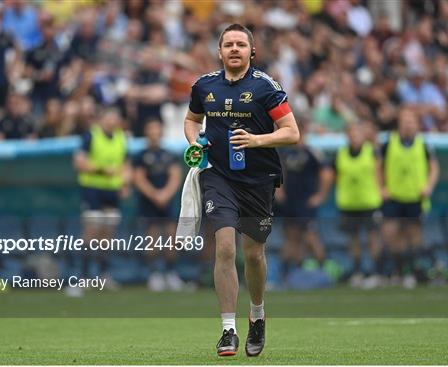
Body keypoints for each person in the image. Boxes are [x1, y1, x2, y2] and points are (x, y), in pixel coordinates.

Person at [183, 24, 299, 357]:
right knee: (223, 249)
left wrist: (256, 140)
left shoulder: (266, 88)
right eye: (228, 44)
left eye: (241, 44)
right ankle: (228, 330)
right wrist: (195, 143)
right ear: (219, 52)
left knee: (253, 255)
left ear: (252, 52)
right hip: (218, 178)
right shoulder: (204, 86)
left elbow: (292, 132)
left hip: (258, 181)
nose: (234, 49)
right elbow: (192, 120)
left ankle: (258, 315)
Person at [72, 108, 133, 297]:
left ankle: (103, 275)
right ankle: (81, 277)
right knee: (91, 233)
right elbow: (79, 162)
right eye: (109, 117)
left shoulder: (121, 137)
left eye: (115, 117)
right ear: (101, 118)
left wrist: (124, 182)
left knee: (108, 235)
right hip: (93, 190)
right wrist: (101, 169)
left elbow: (125, 164)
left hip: (111, 191)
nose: (112, 121)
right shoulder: (90, 136)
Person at [379, 107, 439, 289]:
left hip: (415, 197)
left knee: (414, 236)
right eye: (404, 121)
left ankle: (413, 271)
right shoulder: (389, 143)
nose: (407, 125)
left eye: (411, 122)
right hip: (394, 197)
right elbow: (377, 166)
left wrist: (429, 186)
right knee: (391, 234)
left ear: (417, 125)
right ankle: (398, 270)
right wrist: (382, 187)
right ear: (399, 124)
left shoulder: (424, 144)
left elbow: (434, 168)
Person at [326, 123, 384, 289]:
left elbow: (380, 173)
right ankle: (358, 271)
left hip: (369, 202)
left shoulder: (373, 151)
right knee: (354, 240)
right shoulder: (340, 154)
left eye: (357, 133)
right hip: (348, 203)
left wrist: (381, 190)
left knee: (373, 238)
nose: (354, 136)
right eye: (351, 133)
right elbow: (335, 176)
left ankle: (375, 272)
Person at [133, 118, 183, 291]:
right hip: (148, 203)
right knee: (152, 240)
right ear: (146, 133)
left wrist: (165, 194)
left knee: (172, 238)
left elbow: (175, 176)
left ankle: (171, 274)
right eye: (151, 129)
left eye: (157, 129)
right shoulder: (140, 156)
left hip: (167, 203)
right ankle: (154, 274)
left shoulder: (169, 155)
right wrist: (155, 195)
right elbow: (138, 178)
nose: (154, 133)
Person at [276, 121, 329, 286]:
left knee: (310, 236)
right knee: (291, 237)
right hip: (289, 202)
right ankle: (289, 275)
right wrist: (279, 189)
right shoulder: (284, 151)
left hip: (305, 202)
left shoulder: (312, 153)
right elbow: (279, 170)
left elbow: (326, 172)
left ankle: (324, 271)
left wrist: (320, 195)